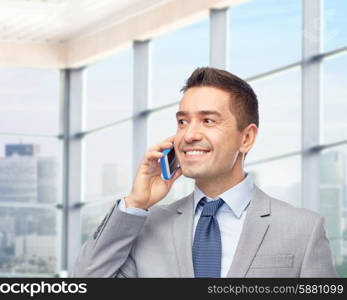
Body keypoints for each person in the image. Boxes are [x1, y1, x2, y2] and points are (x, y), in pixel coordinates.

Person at [72, 67, 337, 278]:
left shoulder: (303, 229)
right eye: (182, 122)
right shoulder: (145, 227)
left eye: (208, 121)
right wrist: (135, 204)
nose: (189, 135)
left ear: (246, 138)